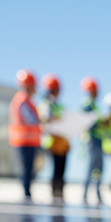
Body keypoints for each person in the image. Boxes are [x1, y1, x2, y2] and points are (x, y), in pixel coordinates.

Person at [8, 70, 41, 201]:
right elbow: (32, 119)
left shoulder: (27, 101)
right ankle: (27, 194)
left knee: (30, 169)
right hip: (24, 140)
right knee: (27, 169)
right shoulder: (22, 100)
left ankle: (27, 193)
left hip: (29, 140)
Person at [38, 74, 70, 203]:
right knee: (56, 170)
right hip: (52, 141)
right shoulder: (45, 104)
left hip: (62, 142)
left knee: (61, 169)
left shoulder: (59, 105)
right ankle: (54, 193)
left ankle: (59, 193)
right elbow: (45, 119)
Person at [80, 76, 110, 206]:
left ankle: (97, 194)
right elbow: (88, 123)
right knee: (92, 166)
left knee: (98, 168)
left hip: (98, 140)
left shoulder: (94, 105)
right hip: (92, 140)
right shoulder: (87, 105)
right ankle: (85, 194)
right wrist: (101, 121)